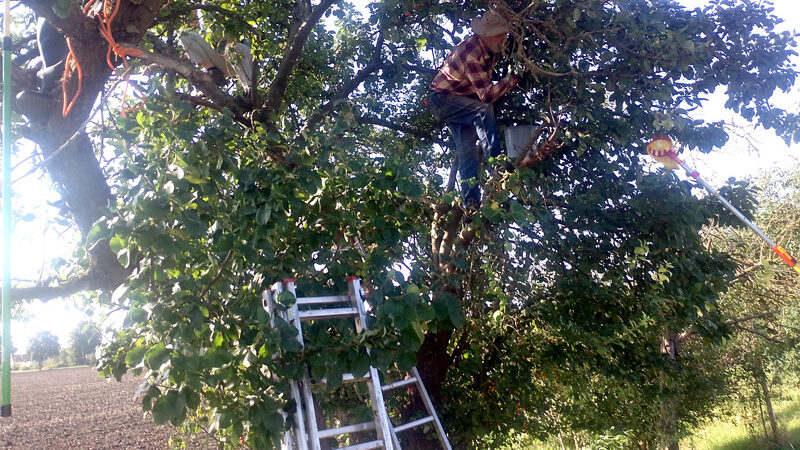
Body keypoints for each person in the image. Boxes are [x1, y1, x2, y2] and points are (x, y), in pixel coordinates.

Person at [428, 11, 519, 210]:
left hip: (460, 102)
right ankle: (497, 167)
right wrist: (510, 80)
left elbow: (480, 90)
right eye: (499, 35)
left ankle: (470, 203)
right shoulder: (473, 54)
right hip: (442, 100)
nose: (504, 38)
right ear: (486, 36)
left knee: (467, 152)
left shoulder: (489, 50)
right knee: (484, 111)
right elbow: (486, 96)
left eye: (504, 34)